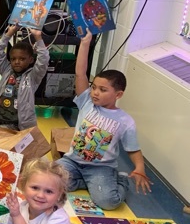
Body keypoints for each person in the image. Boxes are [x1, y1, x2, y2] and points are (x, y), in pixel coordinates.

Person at [55, 30, 152, 209]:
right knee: (49, 181)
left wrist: (139, 168)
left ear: (118, 94)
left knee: (108, 202)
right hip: (72, 162)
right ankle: (82, 182)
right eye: (94, 87)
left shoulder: (125, 121)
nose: (95, 92)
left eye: (102, 90)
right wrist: (85, 44)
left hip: (100, 168)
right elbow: (80, 74)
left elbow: (133, 149)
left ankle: (120, 180)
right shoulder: (87, 102)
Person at [0, 24, 49, 133]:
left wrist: (38, 37)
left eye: (22, 59)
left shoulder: (33, 77)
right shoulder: (7, 70)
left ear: (30, 60)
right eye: (13, 59)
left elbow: (43, 61)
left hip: (15, 123)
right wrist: (9, 33)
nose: (17, 62)